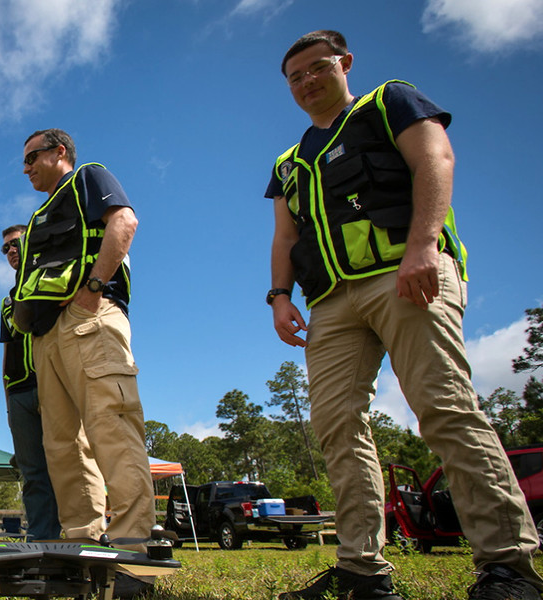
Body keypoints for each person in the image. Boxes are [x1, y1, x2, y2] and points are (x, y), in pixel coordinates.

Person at [266, 30, 542, 600]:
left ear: (344, 63)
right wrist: (279, 296)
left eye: (318, 68)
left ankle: (508, 565)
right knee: (338, 427)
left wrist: (423, 245)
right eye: (295, 77)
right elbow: (285, 234)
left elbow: (435, 158)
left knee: (442, 407)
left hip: (405, 274)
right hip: (332, 302)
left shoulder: (388, 101)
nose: (307, 82)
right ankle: (362, 570)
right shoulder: (289, 162)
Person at [15, 128, 153, 598]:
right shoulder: (37, 216)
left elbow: (125, 222)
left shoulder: (89, 177)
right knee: (63, 447)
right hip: (47, 336)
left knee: (112, 431)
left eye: (32, 156)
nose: (26, 166)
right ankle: (81, 555)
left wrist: (93, 289)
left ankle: (135, 557)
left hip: (90, 319)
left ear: (60, 153)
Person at [0, 224, 60, 541]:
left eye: (15, 244)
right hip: (20, 392)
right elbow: (7, 352)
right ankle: (40, 536)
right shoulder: (7, 302)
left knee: (65, 462)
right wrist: (8, 401)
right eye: (5, 248)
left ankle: (73, 534)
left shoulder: (51, 280)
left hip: (54, 385)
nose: (11, 251)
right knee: (31, 469)